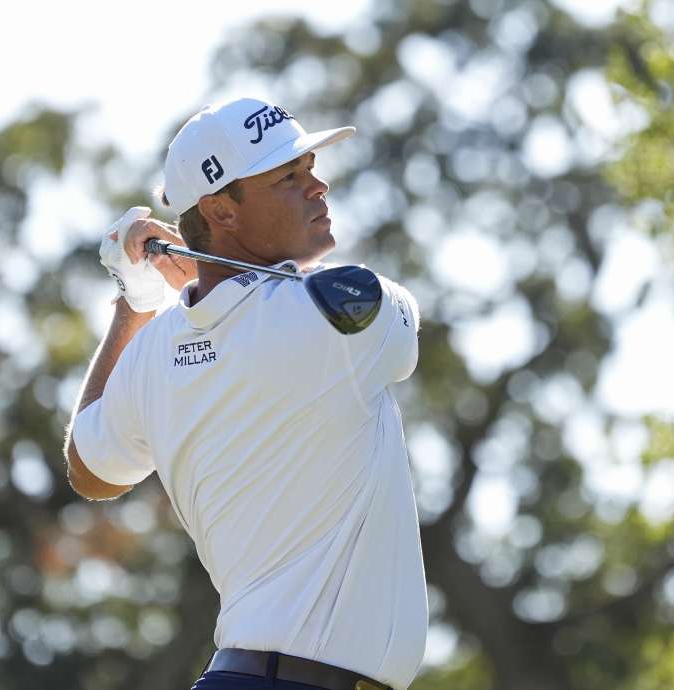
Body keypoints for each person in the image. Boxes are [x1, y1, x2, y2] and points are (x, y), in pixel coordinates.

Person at [63, 97, 426, 690]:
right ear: (220, 210)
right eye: (288, 177)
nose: (318, 187)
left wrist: (136, 301)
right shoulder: (345, 311)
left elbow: (90, 469)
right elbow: (291, 311)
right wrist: (184, 277)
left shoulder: (155, 352)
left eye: (309, 168)